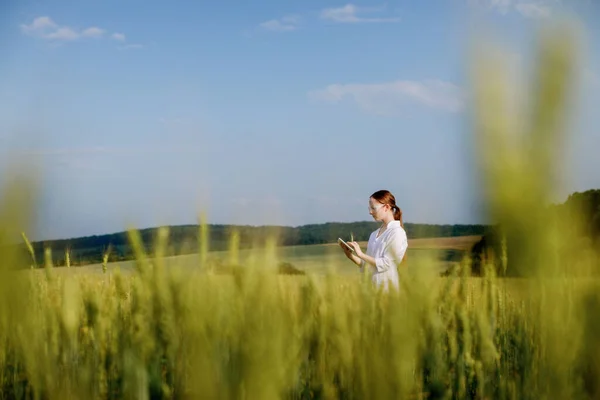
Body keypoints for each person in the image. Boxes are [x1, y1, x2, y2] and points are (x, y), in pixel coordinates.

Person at [340, 190, 408, 291]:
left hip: (388, 291)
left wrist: (361, 254)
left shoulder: (397, 233)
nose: (370, 212)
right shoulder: (374, 234)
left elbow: (386, 264)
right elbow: (367, 266)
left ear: (387, 207)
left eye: (373, 208)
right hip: (372, 291)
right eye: (369, 208)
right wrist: (350, 256)